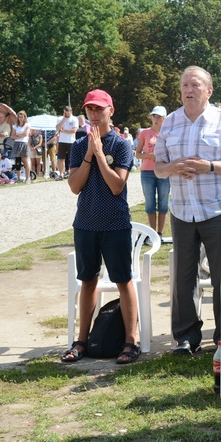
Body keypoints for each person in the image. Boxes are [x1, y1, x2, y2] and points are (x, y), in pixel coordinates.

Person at [154, 66, 221, 356]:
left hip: (218, 209)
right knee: (183, 276)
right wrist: (172, 168)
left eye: (195, 85)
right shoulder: (170, 122)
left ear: (209, 91)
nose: (188, 89)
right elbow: (158, 167)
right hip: (182, 211)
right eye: (184, 85)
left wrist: (207, 166)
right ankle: (185, 338)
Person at [61, 89, 140, 365]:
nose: (94, 114)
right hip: (85, 223)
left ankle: (131, 340)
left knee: (123, 279)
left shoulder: (121, 145)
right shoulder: (79, 145)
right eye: (90, 109)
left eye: (99, 109)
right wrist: (89, 155)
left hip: (115, 223)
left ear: (110, 111)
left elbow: (117, 185)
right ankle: (82, 340)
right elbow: (74, 186)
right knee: (88, 280)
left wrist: (100, 153)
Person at [135, 106, 170, 238]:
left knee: (163, 203)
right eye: (154, 116)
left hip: (164, 171)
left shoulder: (168, 132)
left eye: (159, 117)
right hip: (147, 172)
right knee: (150, 204)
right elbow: (137, 154)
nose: (156, 119)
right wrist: (149, 156)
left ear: (164, 118)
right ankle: (152, 233)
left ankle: (159, 233)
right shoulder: (144, 133)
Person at [55, 106, 78, 180]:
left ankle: (72, 173)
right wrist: (63, 120)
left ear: (71, 112)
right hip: (62, 141)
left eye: (68, 112)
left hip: (71, 141)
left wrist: (64, 131)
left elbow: (74, 130)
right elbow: (58, 128)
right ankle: (61, 174)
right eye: (65, 112)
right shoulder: (60, 119)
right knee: (61, 158)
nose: (67, 114)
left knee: (72, 158)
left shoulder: (74, 119)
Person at [12, 111, 31, 183]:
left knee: (25, 161)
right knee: (18, 161)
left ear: (24, 117)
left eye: (22, 117)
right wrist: (20, 135)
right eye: (19, 117)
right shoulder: (15, 126)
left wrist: (18, 135)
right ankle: (18, 178)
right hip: (17, 143)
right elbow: (12, 136)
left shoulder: (27, 125)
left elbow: (26, 134)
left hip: (24, 143)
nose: (20, 118)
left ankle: (28, 177)